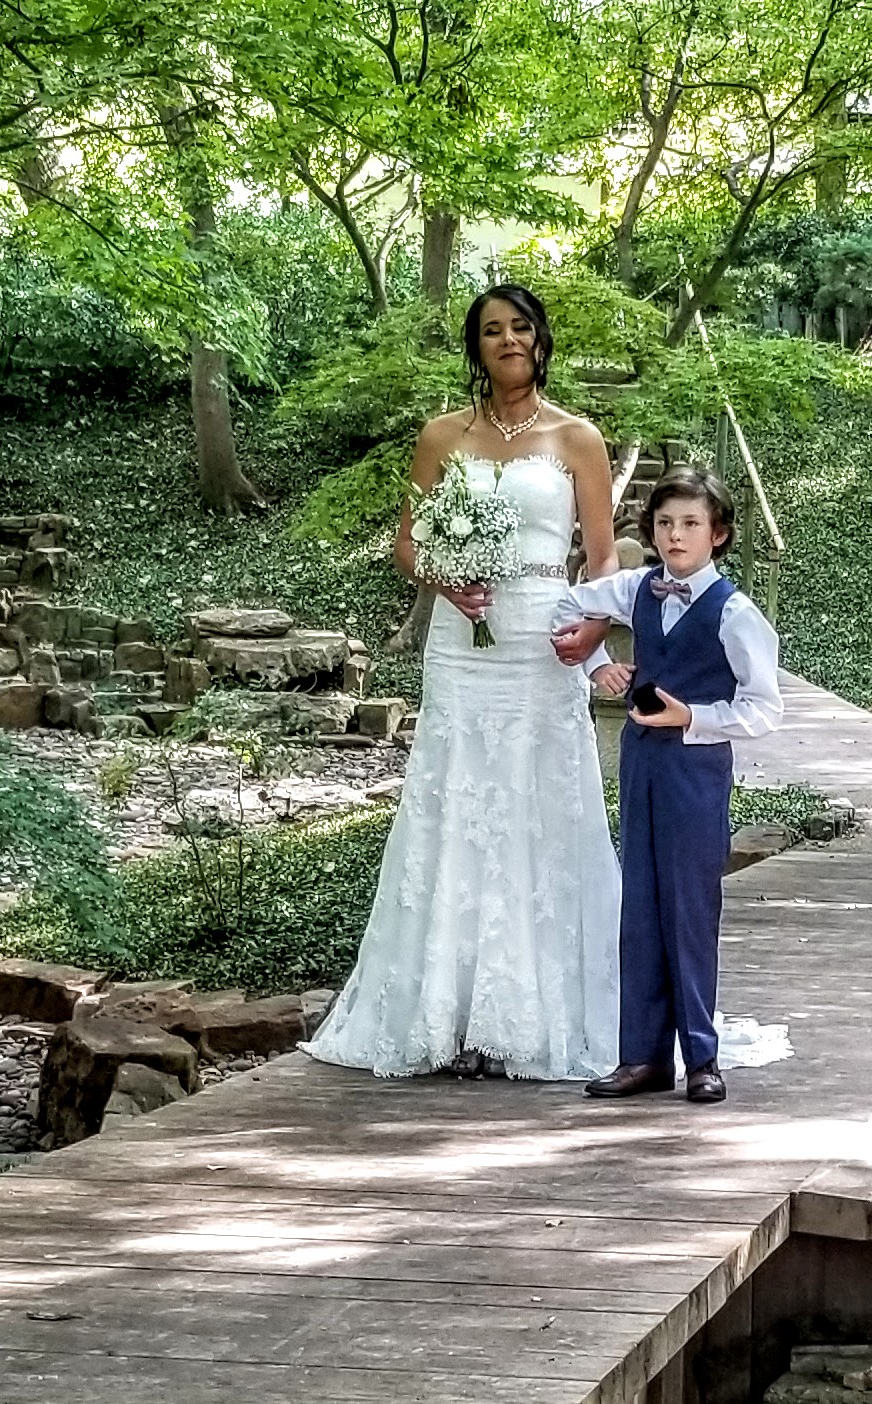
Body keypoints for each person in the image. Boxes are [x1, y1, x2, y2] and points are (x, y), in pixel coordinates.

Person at [298, 284, 623, 1080]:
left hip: (544, 640)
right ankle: (445, 1012)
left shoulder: (578, 437)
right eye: (491, 330)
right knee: (457, 802)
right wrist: (445, 580)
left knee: (539, 805)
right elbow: (408, 545)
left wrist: (594, 627)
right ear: (476, 347)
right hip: (461, 642)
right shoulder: (443, 434)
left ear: (540, 339)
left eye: (520, 327)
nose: (508, 339)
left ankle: (532, 1016)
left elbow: (604, 555)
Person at [552, 468, 784, 1103]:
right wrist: (598, 663)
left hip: (696, 770)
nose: (675, 535)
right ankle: (643, 1057)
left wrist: (693, 717)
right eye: (664, 524)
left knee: (689, 908)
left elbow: (765, 708)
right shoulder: (636, 588)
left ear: (718, 534)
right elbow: (567, 606)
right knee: (640, 907)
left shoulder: (734, 612)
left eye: (690, 524)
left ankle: (702, 1058)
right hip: (641, 763)